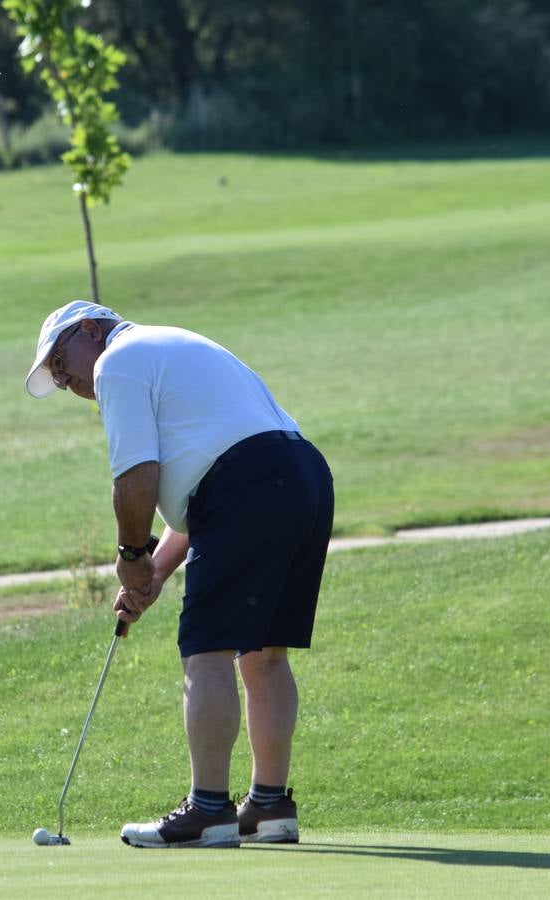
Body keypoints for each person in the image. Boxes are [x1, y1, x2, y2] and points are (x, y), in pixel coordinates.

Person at [25, 300, 334, 849]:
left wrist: (131, 552)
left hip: (248, 484)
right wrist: (156, 574)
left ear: (91, 329)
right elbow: (203, 495)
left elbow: (137, 475)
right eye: (54, 375)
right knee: (263, 653)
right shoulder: (173, 346)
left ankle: (208, 810)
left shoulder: (117, 361)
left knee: (207, 649)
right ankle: (269, 807)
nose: (64, 379)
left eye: (60, 360)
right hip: (301, 476)